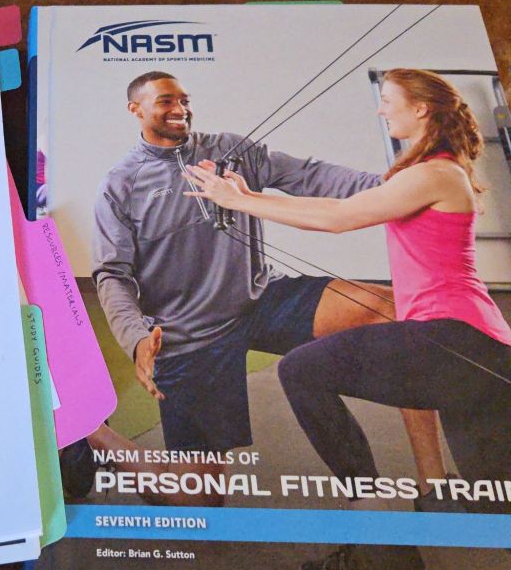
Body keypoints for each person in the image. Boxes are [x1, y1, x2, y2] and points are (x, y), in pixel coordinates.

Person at [185, 68, 511, 570]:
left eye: (388, 100)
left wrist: (238, 201)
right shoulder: (426, 171)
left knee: (301, 371)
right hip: (475, 348)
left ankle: (376, 528)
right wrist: (249, 195)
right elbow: (333, 207)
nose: (381, 109)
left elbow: (339, 218)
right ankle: (387, 553)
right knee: (498, 507)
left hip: (454, 337)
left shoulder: (436, 174)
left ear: (420, 109)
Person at [86, 71, 434, 506]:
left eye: (184, 100)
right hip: (189, 333)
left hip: (260, 299)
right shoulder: (120, 184)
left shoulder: (230, 150)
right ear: (135, 109)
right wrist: (136, 338)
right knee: (197, 502)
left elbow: (308, 175)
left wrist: (396, 185)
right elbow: (112, 274)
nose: (180, 109)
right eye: (166, 101)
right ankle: (94, 434)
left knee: (393, 309)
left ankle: (406, 487)